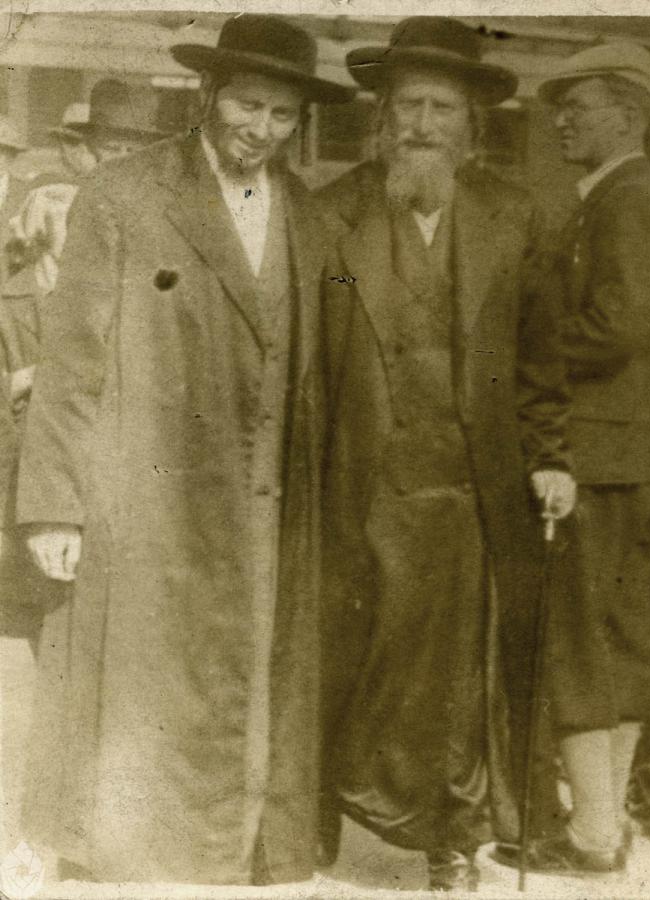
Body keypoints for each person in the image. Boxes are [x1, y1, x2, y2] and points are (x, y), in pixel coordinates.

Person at [14, 15, 352, 885]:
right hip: (145, 498)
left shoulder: (309, 218)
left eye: (282, 115)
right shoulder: (125, 196)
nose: (261, 129)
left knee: (242, 679)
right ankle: (127, 850)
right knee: (139, 687)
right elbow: (72, 363)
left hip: (264, 504)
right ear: (208, 94)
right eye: (247, 105)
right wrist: (55, 508)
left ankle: (233, 850)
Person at [318, 17, 575, 891]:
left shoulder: (514, 215)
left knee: (462, 679)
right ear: (382, 118)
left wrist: (550, 456)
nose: (422, 125)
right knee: (364, 662)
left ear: (471, 124)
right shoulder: (333, 215)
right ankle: (335, 818)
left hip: (474, 491)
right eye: (408, 107)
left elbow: (541, 358)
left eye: (441, 109)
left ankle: (451, 844)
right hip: (365, 486)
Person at [505, 42, 650, 875]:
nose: (560, 122)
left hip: (597, 453)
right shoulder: (623, 196)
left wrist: (524, 350)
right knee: (613, 638)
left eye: (576, 107)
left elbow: (615, 327)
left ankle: (589, 835)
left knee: (581, 640)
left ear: (626, 113)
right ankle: (603, 829)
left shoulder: (626, 200)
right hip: (630, 452)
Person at [8, 81, 166, 293]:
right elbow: (19, 273)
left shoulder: (160, 208)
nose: (123, 158)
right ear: (92, 148)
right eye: (112, 148)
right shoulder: (51, 202)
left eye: (132, 150)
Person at [0, 117, 28, 286]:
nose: (0, 158)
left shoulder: (26, 191)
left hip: (12, 284)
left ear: (13, 155)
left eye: (5, 151)